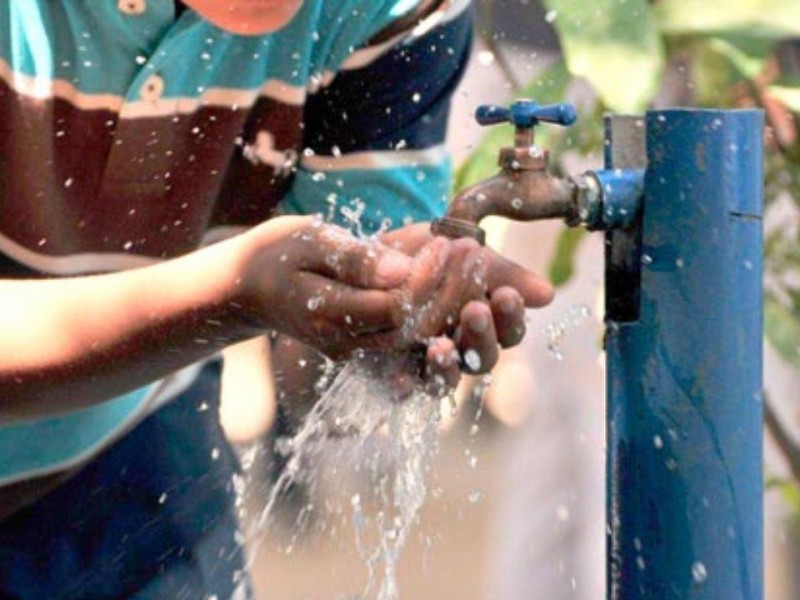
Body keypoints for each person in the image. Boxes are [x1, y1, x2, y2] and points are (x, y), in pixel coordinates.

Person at [0, 1, 554, 598]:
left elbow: (341, 292)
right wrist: (228, 296)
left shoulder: (384, 10)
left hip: (130, 431)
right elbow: (238, 291)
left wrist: (395, 308)